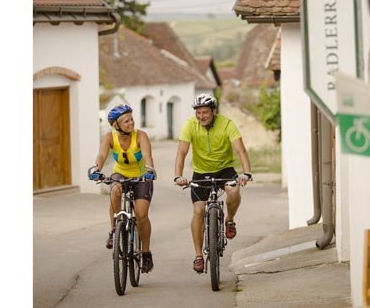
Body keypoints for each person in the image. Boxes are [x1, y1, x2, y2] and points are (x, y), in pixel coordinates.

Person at [173, 94, 253, 273]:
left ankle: (230, 220)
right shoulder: (190, 125)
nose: (201, 116)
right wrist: (178, 176)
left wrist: (246, 173)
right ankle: (198, 256)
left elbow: (240, 149)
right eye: (198, 113)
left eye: (205, 113)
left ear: (214, 112)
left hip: (225, 169)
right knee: (198, 210)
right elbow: (181, 152)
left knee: (233, 191)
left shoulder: (226, 124)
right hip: (201, 172)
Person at [89, 104, 157, 273]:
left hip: (142, 176)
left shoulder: (140, 135)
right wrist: (96, 169)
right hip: (120, 173)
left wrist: (149, 170)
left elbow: (148, 155)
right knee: (115, 190)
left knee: (141, 215)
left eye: (132, 119)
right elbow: (102, 155)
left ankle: (146, 253)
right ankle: (114, 230)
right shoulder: (109, 137)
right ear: (116, 125)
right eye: (126, 121)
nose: (131, 123)